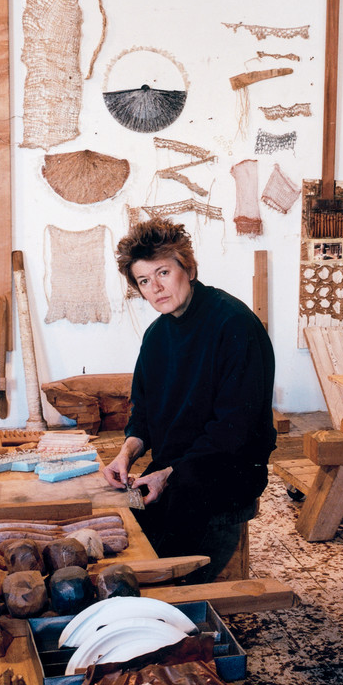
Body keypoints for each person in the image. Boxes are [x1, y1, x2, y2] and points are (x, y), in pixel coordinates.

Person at [101, 218, 275, 583]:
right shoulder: (156, 336)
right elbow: (143, 414)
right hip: (175, 468)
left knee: (168, 563)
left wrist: (169, 473)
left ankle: (178, 597)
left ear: (189, 268)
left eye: (163, 272)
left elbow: (233, 429)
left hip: (229, 469)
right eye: (144, 281)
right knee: (124, 517)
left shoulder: (234, 324)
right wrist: (126, 454)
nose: (156, 288)